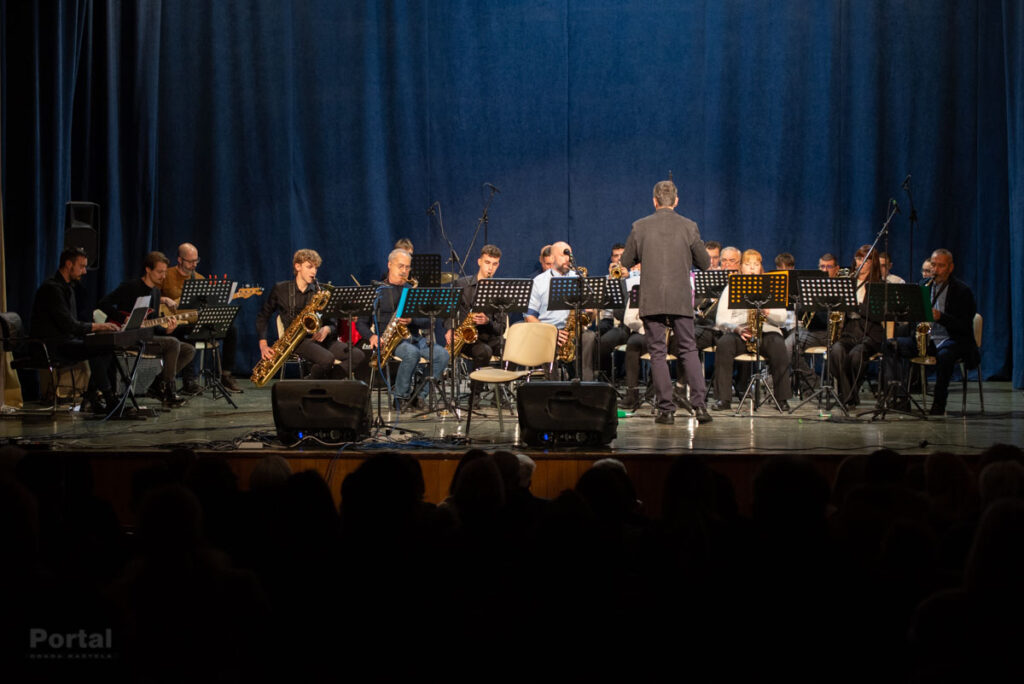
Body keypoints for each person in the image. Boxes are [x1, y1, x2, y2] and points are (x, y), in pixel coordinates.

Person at [620, 179, 712, 425]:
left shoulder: (640, 226)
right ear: (676, 201)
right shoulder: (689, 226)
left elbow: (626, 261)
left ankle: (666, 410)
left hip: (652, 299)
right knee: (689, 349)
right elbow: (705, 263)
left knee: (658, 353)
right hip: (680, 298)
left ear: (654, 201)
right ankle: (700, 408)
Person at [883, 249, 979, 416]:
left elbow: (964, 325)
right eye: (933, 265)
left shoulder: (962, 291)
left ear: (950, 268)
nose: (935, 270)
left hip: (952, 339)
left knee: (945, 355)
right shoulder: (923, 285)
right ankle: (900, 398)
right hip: (926, 339)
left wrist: (941, 317)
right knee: (890, 345)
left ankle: (939, 403)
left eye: (941, 266)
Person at [29, 247, 121, 413]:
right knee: (98, 349)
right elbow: (70, 325)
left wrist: (95, 329)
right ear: (68, 264)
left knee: (106, 347)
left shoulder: (67, 288)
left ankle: (94, 396)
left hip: (65, 341)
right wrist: (98, 326)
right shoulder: (52, 289)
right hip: (51, 346)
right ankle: (107, 398)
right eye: (82, 266)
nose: (84, 271)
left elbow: (72, 325)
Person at [98, 251, 197, 406]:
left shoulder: (156, 292)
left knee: (188, 350)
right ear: (148, 270)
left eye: (165, 272)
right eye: (159, 272)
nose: (163, 276)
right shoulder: (131, 287)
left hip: (145, 337)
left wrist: (167, 330)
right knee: (173, 343)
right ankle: (169, 389)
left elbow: (153, 324)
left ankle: (158, 384)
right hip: (126, 335)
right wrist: (123, 319)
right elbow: (103, 303)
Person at [357, 248, 448, 409]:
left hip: (415, 338)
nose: (404, 271)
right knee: (411, 354)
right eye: (400, 266)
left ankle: (419, 395)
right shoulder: (377, 291)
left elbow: (427, 321)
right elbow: (361, 323)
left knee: (443, 355)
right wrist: (372, 336)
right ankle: (400, 397)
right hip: (390, 340)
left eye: (407, 267)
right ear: (389, 265)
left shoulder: (412, 290)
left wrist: (412, 320)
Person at [255, 249, 365, 381]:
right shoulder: (281, 289)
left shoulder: (320, 292)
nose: (314, 272)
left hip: (320, 339)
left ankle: (316, 381)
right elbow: (263, 316)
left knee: (357, 355)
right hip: (297, 341)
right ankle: (318, 381)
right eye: (309, 267)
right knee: (327, 359)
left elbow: (333, 323)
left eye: (316, 268)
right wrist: (263, 344)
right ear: (298, 266)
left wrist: (327, 329)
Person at [712, 249, 791, 412]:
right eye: (748, 264)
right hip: (741, 332)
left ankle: (782, 398)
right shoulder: (731, 287)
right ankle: (723, 399)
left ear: (761, 266)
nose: (752, 268)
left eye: (756, 264)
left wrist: (768, 313)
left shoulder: (772, 286)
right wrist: (737, 329)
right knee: (724, 344)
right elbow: (720, 320)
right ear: (741, 267)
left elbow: (782, 319)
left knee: (778, 345)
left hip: (766, 331)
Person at [161, 242, 242, 393]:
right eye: (190, 261)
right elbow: (152, 297)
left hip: (194, 321)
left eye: (196, 260)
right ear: (180, 260)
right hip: (173, 323)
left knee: (231, 329)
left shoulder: (199, 279)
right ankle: (189, 381)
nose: (194, 264)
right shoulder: (167, 275)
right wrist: (165, 299)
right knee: (187, 333)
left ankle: (226, 375)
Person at [524, 241, 598, 380]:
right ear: (552, 258)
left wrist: (591, 312)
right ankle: (554, 386)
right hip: (548, 330)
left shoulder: (579, 278)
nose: (568, 258)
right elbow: (529, 316)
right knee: (547, 342)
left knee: (589, 337)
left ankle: (585, 384)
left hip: (574, 330)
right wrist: (552, 332)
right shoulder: (539, 282)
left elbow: (591, 316)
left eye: (569, 255)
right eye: (563, 255)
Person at [446, 245, 505, 404]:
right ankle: (475, 394)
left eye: (494, 264)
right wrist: (450, 329)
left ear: (498, 265)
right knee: (483, 351)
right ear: (479, 261)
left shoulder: (500, 290)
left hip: (489, 336)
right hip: (467, 339)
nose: (490, 268)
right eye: (487, 262)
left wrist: (487, 322)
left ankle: (500, 395)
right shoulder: (461, 284)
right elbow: (449, 312)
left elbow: (501, 328)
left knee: (512, 348)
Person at [827, 245, 884, 408]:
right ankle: (849, 396)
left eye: (866, 260)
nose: (861, 262)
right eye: (859, 258)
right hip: (849, 329)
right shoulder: (848, 282)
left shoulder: (879, 285)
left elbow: (878, 313)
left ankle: (846, 396)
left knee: (856, 356)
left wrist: (856, 306)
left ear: (873, 263)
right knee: (836, 351)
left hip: (870, 332)